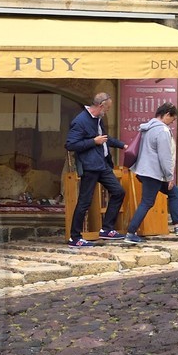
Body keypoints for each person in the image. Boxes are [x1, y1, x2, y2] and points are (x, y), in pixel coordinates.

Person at [124, 103, 178, 243]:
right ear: (167, 114)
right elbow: (165, 156)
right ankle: (130, 233)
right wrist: (170, 176)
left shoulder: (147, 128)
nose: (172, 122)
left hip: (145, 171)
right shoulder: (162, 131)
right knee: (147, 202)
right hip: (154, 173)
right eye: (173, 119)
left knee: (174, 192)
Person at [65, 91, 126, 248]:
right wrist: (93, 141)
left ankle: (106, 229)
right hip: (90, 166)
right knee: (84, 202)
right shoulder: (80, 121)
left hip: (102, 165)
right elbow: (70, 145)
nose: (108, 111)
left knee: (119, 192)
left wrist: (123, 146)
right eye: (107, 108)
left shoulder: (98, 119)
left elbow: (105, 138)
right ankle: (75, 238)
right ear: (101, 105)